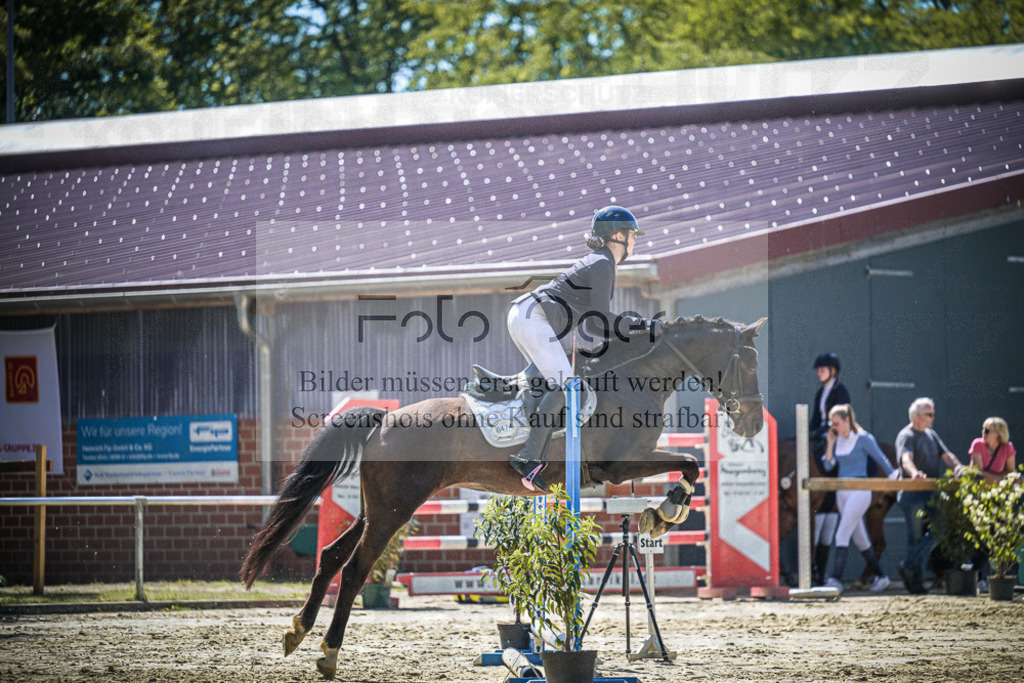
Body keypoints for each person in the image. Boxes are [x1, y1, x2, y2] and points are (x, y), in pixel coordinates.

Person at [505, 206, 659, 492]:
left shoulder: (599, 262)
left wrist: (630, 330)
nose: (635, 241)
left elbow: (596, 327)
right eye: (633, 235)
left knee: (546, 382)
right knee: (570, 388)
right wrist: (642, 326)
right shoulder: (603, 264)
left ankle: (522, 436)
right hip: (533, 316)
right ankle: (528, 458)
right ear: (618, 236)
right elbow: (602, 321)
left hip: (525, 314)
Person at [820, 404, 899, 593]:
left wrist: (893, 477)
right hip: (842, 491)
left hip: (860, 491)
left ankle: (836, 578)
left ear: (847, 420)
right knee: (861, 540)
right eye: (832, 423)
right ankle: (881, 576)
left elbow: (881, 459)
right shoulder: (836, 439)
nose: (834, 426)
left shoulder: (863, 438)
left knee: (841, 534)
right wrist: (830, 443)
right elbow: (828, 465)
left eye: (837, 423)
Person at [895, 397, 965, 594]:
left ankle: (908, 565)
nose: (934, 418)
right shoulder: (906, 435)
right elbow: (905, 458)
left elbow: (947, 455)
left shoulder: (931, 435)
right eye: (930, 414)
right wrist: (914, 473)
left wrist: (958, 467)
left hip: (932, 494)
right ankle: (915, 584)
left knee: (943, 528)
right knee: (915, 538)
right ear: (918, 417)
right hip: (912, 494)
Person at [809, 353, 850, 585]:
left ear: (833, 371)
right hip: (822, 432)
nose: (819, 372)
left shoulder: (840, 391)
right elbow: (815, 420)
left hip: (836, 433)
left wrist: (825, 428)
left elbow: (841, 417)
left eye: (823, 369)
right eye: (819, 369)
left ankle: (831, 482)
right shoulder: (820, 392)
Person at [967, 417, 1016, 591]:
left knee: (995, 535)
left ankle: (981, 573)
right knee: (979, 536)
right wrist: (1001, 479)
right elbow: (979, 474)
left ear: (998, 433)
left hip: (998, 499)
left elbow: (1011, 474)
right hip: (977, 498)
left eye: (987, 431)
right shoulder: (978, 444)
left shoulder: (1007, 448)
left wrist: (997, 479)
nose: (983, 433)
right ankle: (977, 576)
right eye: (983, 429)